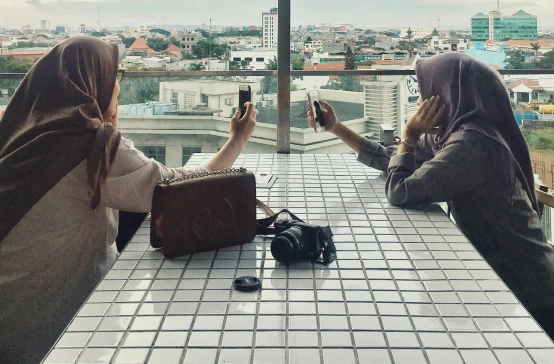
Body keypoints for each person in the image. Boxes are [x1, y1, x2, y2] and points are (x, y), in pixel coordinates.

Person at [0, 36, 257, 364]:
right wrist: (237, 141)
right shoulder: (91, 147)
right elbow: (178, 189)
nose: (117, 87)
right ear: (94, 86)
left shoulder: (22, 137)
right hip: (46, 328)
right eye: (113, 78)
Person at [308, 52, 554, 338]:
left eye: (428, 90)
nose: (420, 102)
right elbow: (396, 160)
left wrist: (409, 133)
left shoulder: (471, 145)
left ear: (447, 93)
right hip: (506, 274)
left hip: (530, 289)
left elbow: (400, 190)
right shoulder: (456, 133)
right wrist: (337, 128)